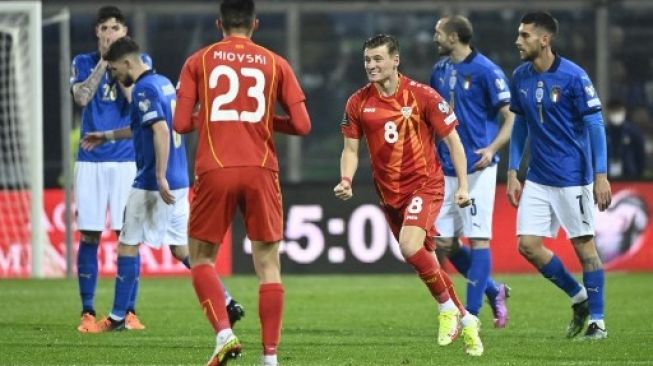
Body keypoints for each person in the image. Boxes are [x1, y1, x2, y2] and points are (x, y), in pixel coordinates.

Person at [72, 7, 243, 334]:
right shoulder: (163, 83)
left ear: (126, 63)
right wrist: (106, 135)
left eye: (116, 69)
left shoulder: (143, 89)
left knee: (127, 243)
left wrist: (159, 175)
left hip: (154, 181)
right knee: (182, 249)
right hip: (180, 181)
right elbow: (149, 126)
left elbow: (162, 130)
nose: (116, 75)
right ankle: (228, 300)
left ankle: (119, 316)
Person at [173, 0, 311, 365]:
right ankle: (270, 359)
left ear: (220, 24)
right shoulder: (275, 62)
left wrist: (215, 116)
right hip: (261, 169)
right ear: (255, 24)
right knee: (268, 262)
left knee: (201, 257)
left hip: (215, 168)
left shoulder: (197, 61)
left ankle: (223, 333)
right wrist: (263, 120)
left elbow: (181, 123)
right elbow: (302, 125)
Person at [334, 34, 483, 356]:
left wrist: (463, 186)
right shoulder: (358, 102)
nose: (371, 66)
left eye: (377, 59)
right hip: (389, 193)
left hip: (424, 184)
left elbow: (454, 142)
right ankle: (467, 318)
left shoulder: (423, 96)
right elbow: (350, 149)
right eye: (367, 60)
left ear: (395, 60)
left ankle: (446, 311)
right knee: (423, 257)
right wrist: (346, 179)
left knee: (409, 246)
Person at [507, 11, 612, 340]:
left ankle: (598, 320)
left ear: (545, 40)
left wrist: (601, 175)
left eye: (524, 35)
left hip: (573, 177)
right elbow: (521, 125)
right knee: (527, 246)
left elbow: (595, 125)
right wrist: (513, 170)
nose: (517, 41)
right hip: (538, 176)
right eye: (518, 34)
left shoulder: (574, 77)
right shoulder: (520, 76)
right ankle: (579, 298)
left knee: (584, 248)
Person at [430, 15, 514, 328]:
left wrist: (492, 149)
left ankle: (474, 315)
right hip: (446, 166)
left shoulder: (487, 71)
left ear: (453, 37)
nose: (434, 38)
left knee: (478, 239)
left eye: (438, 33)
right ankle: (494, 290)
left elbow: (511, 117)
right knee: (444, 244)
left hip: (478, 167)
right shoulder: (439, 70)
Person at [71, 5, 149, 333]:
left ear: (125, 32)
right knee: (89, 234)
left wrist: (121, 66)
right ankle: (88, 311)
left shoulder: (140, 64)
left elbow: (138, 102)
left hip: (125, 159)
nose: (108, 34)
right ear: (97, 33)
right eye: (103, 28)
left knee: (126, 236)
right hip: (90, 161)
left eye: (114, 28)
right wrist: (104, 64)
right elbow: (81, 98)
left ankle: (128, 311)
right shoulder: (83, 62)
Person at [605, 99, 645, 179]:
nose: (616, 113)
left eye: (618, 110)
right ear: (608, 112)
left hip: (630, 176)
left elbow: (640, 154)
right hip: (607, 177)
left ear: (624, 111)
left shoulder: (634, 131)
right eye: (613, 111)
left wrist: (638, 174)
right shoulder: (603, 132)